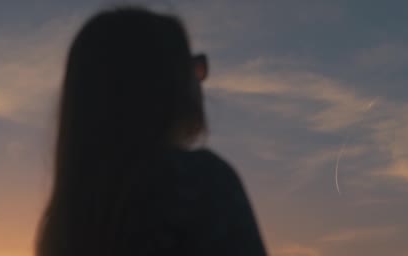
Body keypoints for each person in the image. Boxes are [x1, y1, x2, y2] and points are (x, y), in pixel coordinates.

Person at [36, 6, 267, 256]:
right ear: (163, 86)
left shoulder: (63, 225)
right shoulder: (201, 183)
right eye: (192, 66)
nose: (200, 79)